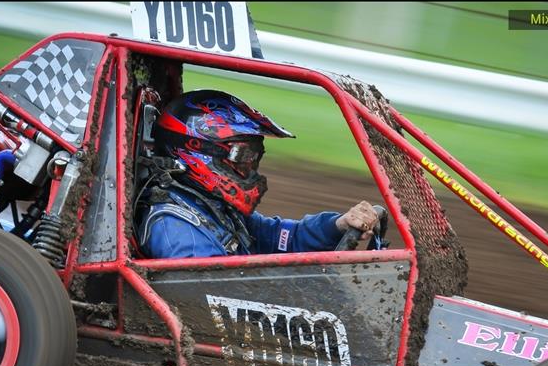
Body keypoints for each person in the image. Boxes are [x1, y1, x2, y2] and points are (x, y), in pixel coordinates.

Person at [135, 89, 380, 259]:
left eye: (255, 156)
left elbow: (283, 239)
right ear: (196, 150)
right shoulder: (176, 227)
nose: (250, 166)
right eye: (242, 155)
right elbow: (211, 301)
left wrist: (338, 225)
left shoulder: (212, 206)